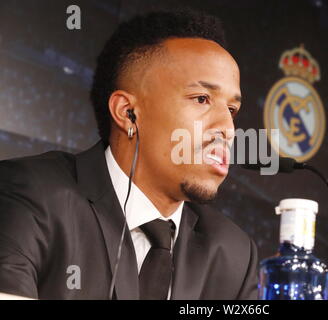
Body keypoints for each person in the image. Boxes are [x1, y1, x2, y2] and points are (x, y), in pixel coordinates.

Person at [0, 8, 258, 300]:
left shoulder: (234, 253)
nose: (227, 128)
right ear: (127, 113)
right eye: (201, 99)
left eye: (232, 110)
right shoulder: (27, 194)